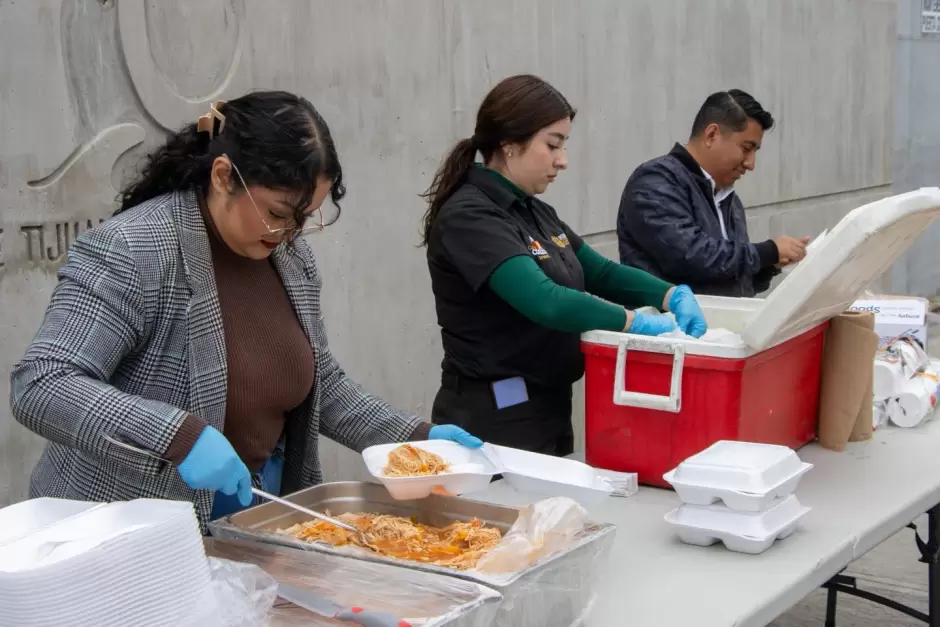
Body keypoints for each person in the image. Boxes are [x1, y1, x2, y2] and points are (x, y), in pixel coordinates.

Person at [9, 91, 481, 531]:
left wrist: (417, 440)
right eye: (277, 214)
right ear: (222, 176)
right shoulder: (135, 249)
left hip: (256, 510)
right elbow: (43, 382)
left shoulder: (291, 259)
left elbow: (322, 385)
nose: (289, 233)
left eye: (305, 217)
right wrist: (178, 437)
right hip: (127, 526)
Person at [421, 75, 708, 456]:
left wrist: (670, 294)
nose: (563, 160)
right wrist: (631, 322)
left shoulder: (534, 211)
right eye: (552, 144)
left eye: (564, 145)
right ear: (509, 144)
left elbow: (601, 273)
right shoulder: (470, 216)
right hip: (495, 416)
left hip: (547, 409)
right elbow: (547, 302)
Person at [616, 89, 809, 297]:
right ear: (711, 135)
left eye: (755, 151)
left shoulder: (730, 201)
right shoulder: (654, 181)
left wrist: (770, 264)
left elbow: (732, 278)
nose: (751, 164)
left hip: (723, 327)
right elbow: (690, 257)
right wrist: (767, 252)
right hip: (670, 328)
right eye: (746, 148)